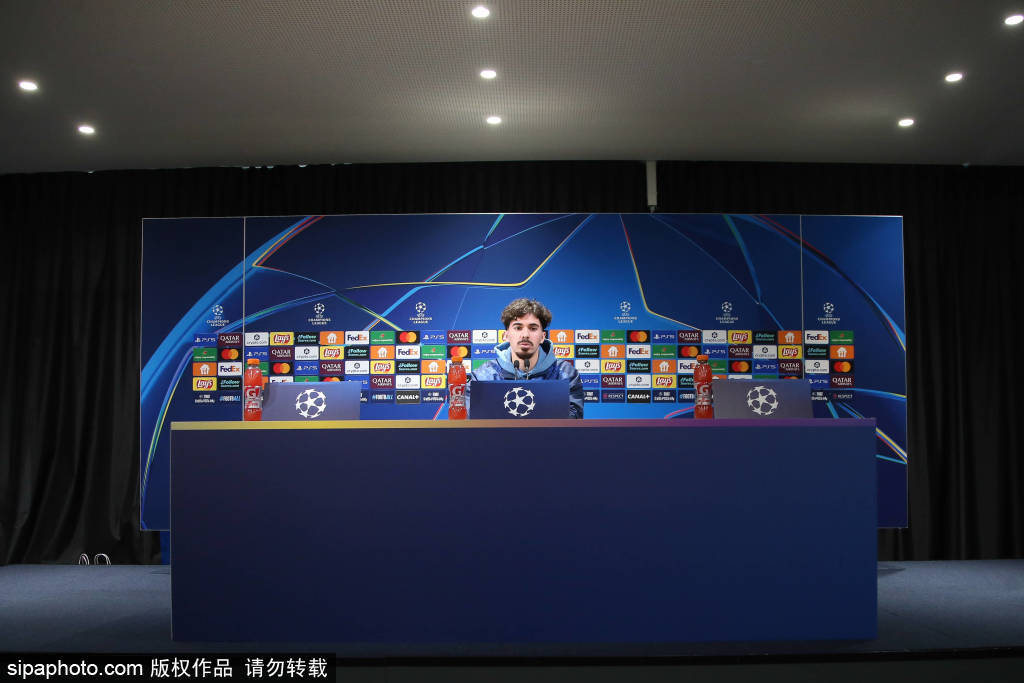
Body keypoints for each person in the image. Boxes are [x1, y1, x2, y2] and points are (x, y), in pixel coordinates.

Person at [469, 298, 584, 419]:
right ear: (506, 335)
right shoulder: (481, 377)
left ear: (542, 337)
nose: (525, 335)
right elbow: (472, 422)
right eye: (518, 328)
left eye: (533, 328)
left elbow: (573, 421)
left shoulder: (565, 374)